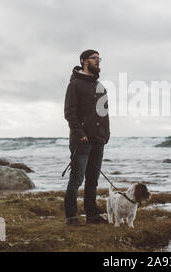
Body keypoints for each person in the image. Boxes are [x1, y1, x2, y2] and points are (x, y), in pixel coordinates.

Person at [63, 49, 110, 225]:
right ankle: (71, 217)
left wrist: (106, 134)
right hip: (81, 141)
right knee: (76, 179)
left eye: (99, 58)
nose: (98, 61)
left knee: (93, 179)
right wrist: (80, 134)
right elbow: (69, 113)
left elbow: (104, 113)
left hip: (98, 140)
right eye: (94, 58)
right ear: (84, 61)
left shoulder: (100, 87)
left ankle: (92, 215)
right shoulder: (74, 85)